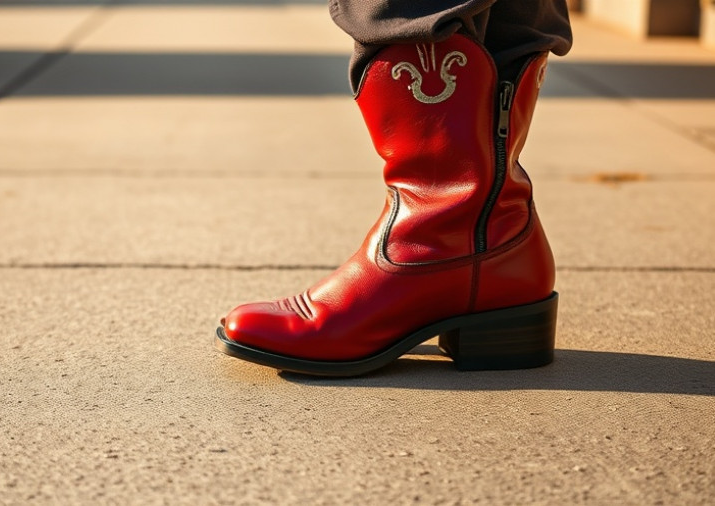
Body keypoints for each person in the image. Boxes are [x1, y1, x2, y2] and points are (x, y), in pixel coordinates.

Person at [216, 0, 574, 376]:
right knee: (511, 20)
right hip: (504, 254)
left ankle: (426, 255)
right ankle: (501, 252)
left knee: (409, 10)